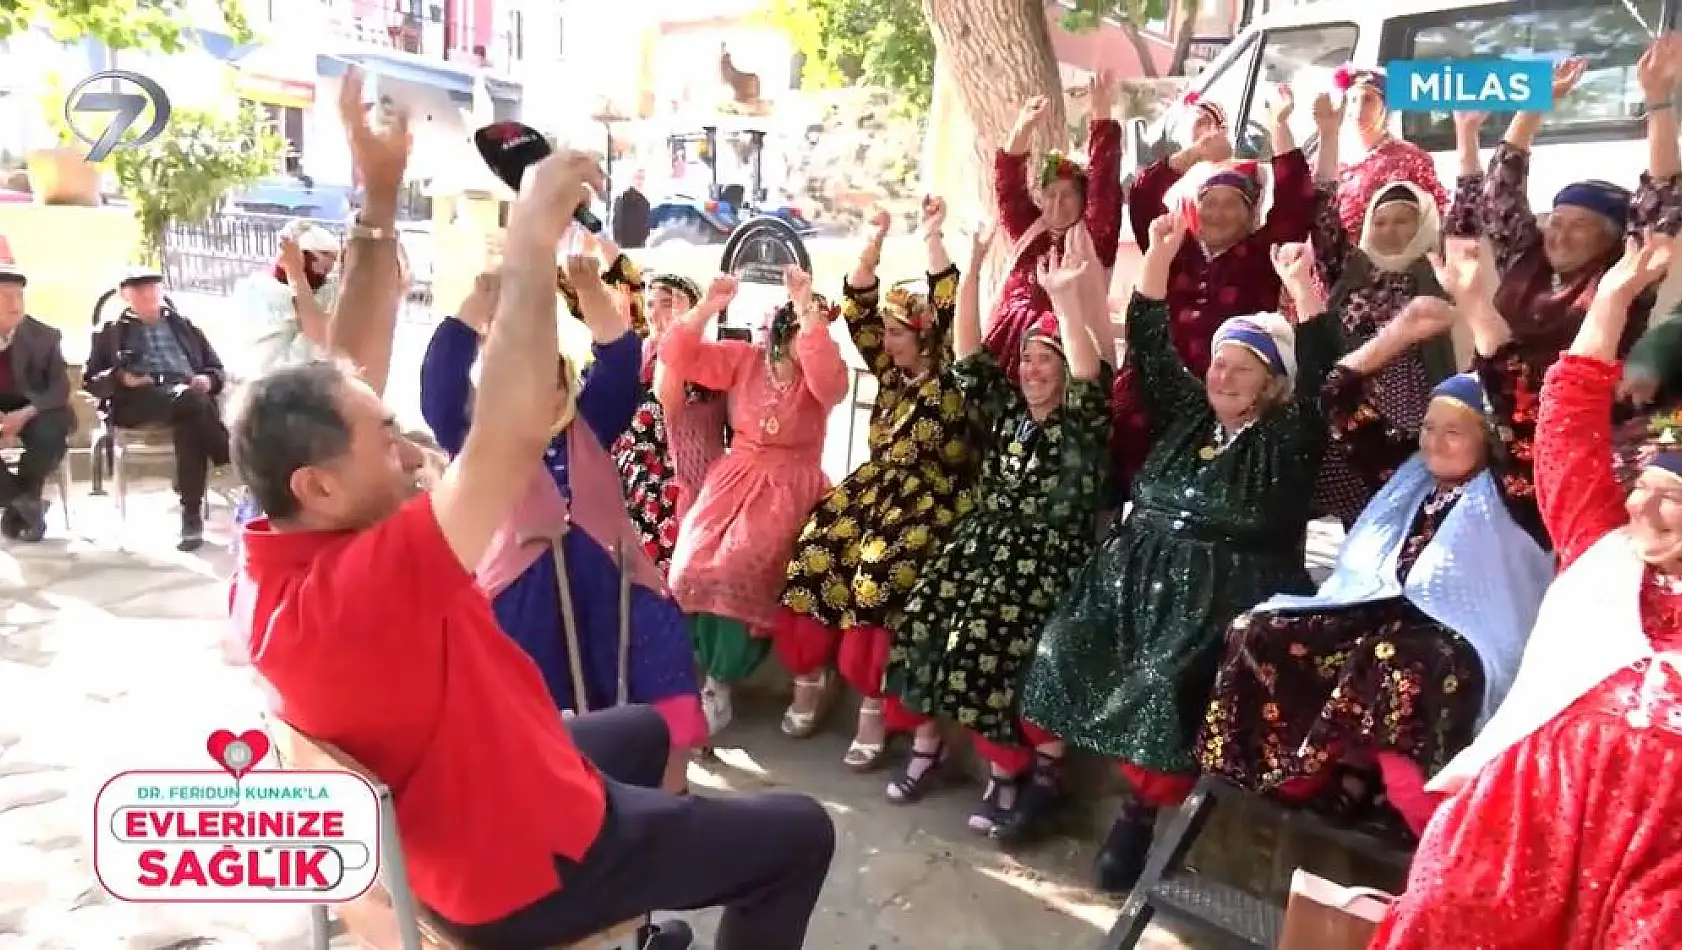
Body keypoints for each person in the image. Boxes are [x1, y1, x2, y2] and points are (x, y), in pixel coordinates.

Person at [231, 68, 833, 950]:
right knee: (798, 833)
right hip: (519, 863)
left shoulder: (276, 546)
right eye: (384, 441)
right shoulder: (363, 585)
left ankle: (650, 886)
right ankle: (639, 873)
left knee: (632, 731)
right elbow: (505, 431)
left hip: (474, 797)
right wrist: (528, 239)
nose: (407, 454)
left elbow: (342, 378)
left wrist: (382, 197)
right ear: (315, 485)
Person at [1369, 232, 1678, 949]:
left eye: (1670, 495)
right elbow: (1565, 422)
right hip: (1535, 808)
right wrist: (1610, 301)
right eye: (1641, 488)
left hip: (1662, 847)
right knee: (1443, 911)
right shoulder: (1606, 551)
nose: (1641, 508)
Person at [1018, 214, 1340, 890]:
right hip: (1131, 574)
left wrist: (1302, 291)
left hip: (1218, 591)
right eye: (1217, 361)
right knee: (1057, 645)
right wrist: (1160, 255)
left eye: (1239, 366)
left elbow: (1322, 373)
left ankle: (1137, 818)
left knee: (1164, 683)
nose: (1219, 374)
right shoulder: (1190, 412)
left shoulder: (1287, 438)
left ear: (1272, 381)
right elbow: (1151, 344)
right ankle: (1045, 781)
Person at [1198, 238, 1554, 843]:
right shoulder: (1406, 474)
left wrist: (1474, 306)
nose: (1437, 441)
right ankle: (1291, 777)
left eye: (1456, 431)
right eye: (1430, 428)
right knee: (1261, 629)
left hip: (1460, 643)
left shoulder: (1518, 490)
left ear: (1489, 442)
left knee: (1396, 662)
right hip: (1377, 618)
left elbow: (1521, 412)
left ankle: (1412, 809)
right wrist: (1403, 332)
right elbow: (1340, 394)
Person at [420, 258, 705, 794]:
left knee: (663, 678)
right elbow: (439, 384)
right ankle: (557, 811)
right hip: (525, 595)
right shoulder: (479, 442)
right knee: (537, 710)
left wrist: (588, 290)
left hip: (615, 584)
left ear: (563, 382)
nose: (534, 393)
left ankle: (669, 808)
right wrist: (476, 305)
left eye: (546, 378)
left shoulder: (592, 419)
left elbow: (620, 359)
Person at [881, 225, 1112, 833]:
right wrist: (978, 261)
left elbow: (1092, 372)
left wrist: (1063, 300)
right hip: (983, 540)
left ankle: (1005, 776)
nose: (1035, 369)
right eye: (1029, 358)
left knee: (986, 633)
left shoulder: (1082, 423)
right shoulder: (1009, 410)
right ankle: (925, 748)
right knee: (925, 611)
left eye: (1048, 359)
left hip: (1044, 553)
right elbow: (968, 357)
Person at [773, 199, 978, 769]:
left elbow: (947, 295)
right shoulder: (890, 370)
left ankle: (873, 702)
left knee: (880, 576)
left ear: (923, 334)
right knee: (814, 550)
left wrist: (935, 235)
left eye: (896, 332)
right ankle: (809, 676)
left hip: (931, 498)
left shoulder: (955, 375)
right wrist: (874, 236)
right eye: (884, 332)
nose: (885, 341)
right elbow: (859, 299)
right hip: (875, 487)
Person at [1442, 41, 1682, 468]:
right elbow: (1502, 187)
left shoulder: (1624, 271)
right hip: (1494, 419)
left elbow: (1662, 195)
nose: (1560, 234)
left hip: (1575, 433)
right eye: (1555, 220)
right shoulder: (1525, 254)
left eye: (1579, 225)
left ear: (1611, 236)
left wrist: (1659, 103)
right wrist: (1534, 107)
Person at [662, 265, 850, 733]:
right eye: (789, 331)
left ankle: (721, 682)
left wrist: (808, 305)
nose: (790, 344)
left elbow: (833, 383)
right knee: (690, 564)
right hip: (735, 478)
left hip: (790, 485)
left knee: (736, 567)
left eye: (806, 332)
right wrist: (708, 304)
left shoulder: (816, 375)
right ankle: (703, 675)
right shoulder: (745, 360)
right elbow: (676, 353)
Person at [1110, 83, 1315, 498]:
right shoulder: (1175, 248)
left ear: (1250, 211)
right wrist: (1195, 155)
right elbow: (1145, 193)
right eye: (1209, 201)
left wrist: (1279, 126)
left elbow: (1295, 201)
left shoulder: (1260, 256)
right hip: (1153, 397)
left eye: (1230, 203)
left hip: (1227, 402)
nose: (1217, 212)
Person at [1305, 91, 1454, 525]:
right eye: (1380, 221)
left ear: (1423, 222)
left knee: (1408, 528)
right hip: (1351, 424)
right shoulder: (1352, 269)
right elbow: (1323, 217)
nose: (1390, 229)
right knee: (1358, 532)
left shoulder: (1438, 270)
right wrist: (1328, 136)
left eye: (1403, 219)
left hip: (1415, 429)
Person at [983, 71, 1124, 380]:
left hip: (1067, 360)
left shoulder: (1095, 235)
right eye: (1050, 195)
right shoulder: (1030, 230)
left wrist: (1101, 112)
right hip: (1008, 350)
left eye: (1068, 195)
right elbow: (1008, 187)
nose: (1057, 205)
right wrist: (1022, 128)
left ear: (1084, 199)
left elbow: (1104, 182)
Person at [83, 265, 230, 551]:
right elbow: (91, 381)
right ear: (125, 295)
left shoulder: (183, 325)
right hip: (139, 399)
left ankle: (191, 517)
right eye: (140, 289)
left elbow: (217, 368)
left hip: (186, 396)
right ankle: (228, 455)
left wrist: (208, 379)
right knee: (192, 404)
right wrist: (120, 377)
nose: (149, 294)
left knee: (190, 419)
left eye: (153, 287)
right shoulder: (111, 332)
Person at [612, 272, 729, 573]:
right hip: (626, 468)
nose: (656, 312)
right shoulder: (639, 352)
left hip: (672, 474)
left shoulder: (705, 359)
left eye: (668, 303)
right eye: (651, 303)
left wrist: (682, 329)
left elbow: (671, 397)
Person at [1325, 66, 1448, 242]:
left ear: (1384, 108)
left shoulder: (1410, 158)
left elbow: (1438, 212)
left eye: (1368, 100)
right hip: (1335, 258)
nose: (1358, 108)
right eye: (1353, 100)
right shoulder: (1331, 155)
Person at [0, 264, 72, 542]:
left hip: (32, 407)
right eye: (5, 296)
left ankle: (20, 509)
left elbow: (60, 387)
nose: (15, 304)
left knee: (53, 428)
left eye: (19, 296)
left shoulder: (45, 336)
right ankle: (24, 502)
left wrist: (25, 414)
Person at [239, 219, 342, 374]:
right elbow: (318, 336)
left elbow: (325, 337)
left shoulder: (326, 289)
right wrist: (296, 274)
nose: (326, 273)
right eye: (324, 263)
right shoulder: (257, 289)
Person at [612, 169, 653, 249]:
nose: (640, 181)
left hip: (637, 246)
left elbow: (645, 226)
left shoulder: (645, 201)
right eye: (638, 178)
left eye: (642, 178)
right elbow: (617, 224)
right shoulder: (622, 199)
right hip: (627, 245)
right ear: (632, 179)